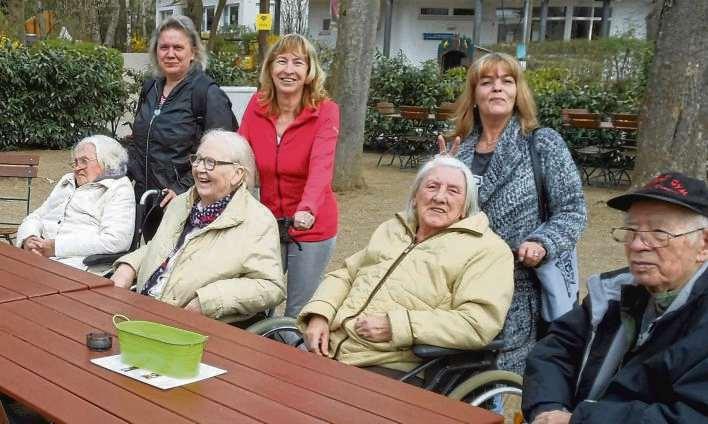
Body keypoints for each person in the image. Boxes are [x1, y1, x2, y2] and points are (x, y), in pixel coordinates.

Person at [438, 52, 587, 375]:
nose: (497, 89)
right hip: (452, 284)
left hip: (515, 289)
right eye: (487, 82)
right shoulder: (456, 148)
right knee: (448, 372)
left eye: (507, 81)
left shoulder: (542, 144)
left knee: (488, 376)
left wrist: (543, 241)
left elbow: (573, 210)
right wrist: (438, 174)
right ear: (474, 94)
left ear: (518, 93)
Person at [297, 156, 514, 377]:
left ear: (465, 206)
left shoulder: (488, 250)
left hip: (391, 364)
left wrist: (398, 326)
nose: (440, 197)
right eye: (432, 187)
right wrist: (320, 315)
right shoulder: (393, 229)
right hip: (329, 347)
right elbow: (346, 274)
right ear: (414, 197)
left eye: (453, 191)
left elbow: (477, 323)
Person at [522, 172, 708, 424]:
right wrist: (547, 409)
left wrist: (578, 420)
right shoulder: (615, 292)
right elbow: (555, 351)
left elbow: (692, 416)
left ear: (704, 245)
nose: (637, 245)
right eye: (631, 230)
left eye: (658, 232)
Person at [111, 130, 284, 325]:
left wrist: (208, 302)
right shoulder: (180, 203)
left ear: (238, 174)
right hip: (145, 309)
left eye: (211, 163)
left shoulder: (257, 220)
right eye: (197, 160)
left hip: (197, 327)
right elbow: (160, 248)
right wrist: (129, 266)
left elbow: (270, 286)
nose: (200, 168)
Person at [239, 34, 340, 318]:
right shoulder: (256, 106)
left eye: (298, 62)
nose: (288, 69)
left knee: (297, 310)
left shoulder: (326, 112)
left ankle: (292, 359)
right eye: (281, 61)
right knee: (257, 304)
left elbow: (321, 167)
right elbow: (239, 154)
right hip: (268, 223)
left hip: (311, 227)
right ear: (270, 68)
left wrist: (307, 209)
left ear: (309, 72)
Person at [127, 15, 237, 241]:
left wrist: (181, 189)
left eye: (178, 47)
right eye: (164, 47)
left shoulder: (207, 94)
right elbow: (141, 142)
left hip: (186, 205)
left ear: (193, 52)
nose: (170, 53)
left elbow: (225, 157)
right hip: (148, 201)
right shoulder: (150, 89)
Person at [16, 135, 135, 273]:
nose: (77, 168)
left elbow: (115, 241)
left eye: (84, 161)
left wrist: (55, 248)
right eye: (75, 162)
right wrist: (29, 238)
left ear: (107, 162)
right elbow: (37, 216)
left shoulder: (119, 188)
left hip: (78, 265)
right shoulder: (67, 180)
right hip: (40, 257)